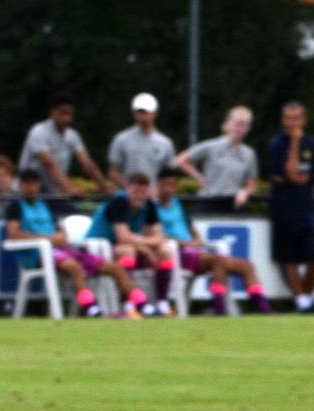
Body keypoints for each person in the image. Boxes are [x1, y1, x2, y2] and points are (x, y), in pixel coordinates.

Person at [4, 167, 130, 318]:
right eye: (27, 184)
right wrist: (48, 239)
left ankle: (132, 307)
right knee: (74, 267)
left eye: (34, 184)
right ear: (20, 186)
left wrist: (62, 236)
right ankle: (90, 308)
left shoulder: (45, 205)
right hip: (37, 255)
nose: (31, 188)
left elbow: (59, 228)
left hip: (61, 251)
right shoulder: (15, 207)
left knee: (113, 267)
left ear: (38, 185)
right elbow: (13, 234)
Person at [153, 167, 272, 315]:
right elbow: (157, 235)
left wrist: (196, 239)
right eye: (166, 184)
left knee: (246, 265)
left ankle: (264, 310)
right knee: (218, 261)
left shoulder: (177, 204)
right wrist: (185, 244)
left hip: (194, 251)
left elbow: (192, 229)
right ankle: (219, 309)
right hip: (176, 253)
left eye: (173, 184)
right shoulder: (153, 207)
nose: (170, 188)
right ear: (158, 184)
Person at [264, 101, 314, 313]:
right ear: (283, 121)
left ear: (304, 120)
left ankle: (307, 297)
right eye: (289, 118)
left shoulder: (312, 144)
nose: (293, 123)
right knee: (288, 257)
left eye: (297, 118)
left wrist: (299, 178)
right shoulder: (276, 145)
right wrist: (295, 143)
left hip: (306, 208)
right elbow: (290, 173)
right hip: (283, 209)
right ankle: (301, 302)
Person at [84, 172, 173, 317]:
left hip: (129, 246)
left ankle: (162, 303)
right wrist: (145, 247)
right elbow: (122, 237)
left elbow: (159, 237)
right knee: (127, 251)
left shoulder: (148, 205)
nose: (140, 196)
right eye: (136, 191)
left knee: (166, 252)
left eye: (143, 191)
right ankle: (128, 304)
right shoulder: (119, 202)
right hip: (100, 250)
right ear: (127, 189)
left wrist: (144, 245)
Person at [19, 96, 107, 195]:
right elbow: (49, 164)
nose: (66, 118)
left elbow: (87, 163)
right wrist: (69, 189)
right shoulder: (38, 131)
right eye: (62, 113)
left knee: (74, 210)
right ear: (52, 112)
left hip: (52, 193)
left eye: (69, 114)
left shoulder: (72, 135)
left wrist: (104, 187)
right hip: (29, 193)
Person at [177, 106, 260, 211]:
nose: (240, 129)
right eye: (237, 124)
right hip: (208, 203)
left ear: (248, 128)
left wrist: (245, 192)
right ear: (228, 124)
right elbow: (181, 160)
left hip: (233, 205)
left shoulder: (249, 153)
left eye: (244, 125)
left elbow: (252, 184)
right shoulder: (212, 146)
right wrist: (199, 177)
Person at [108, 93, 176, 190]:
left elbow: (169, 175)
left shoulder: (166, 143)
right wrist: (132, 191)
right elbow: (113, 172)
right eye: (139, 111)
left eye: (145, 112)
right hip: (126, 198)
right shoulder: (121, 139)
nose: (141, 115)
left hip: (154, 199)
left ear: (155, 113)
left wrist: (158, 191)